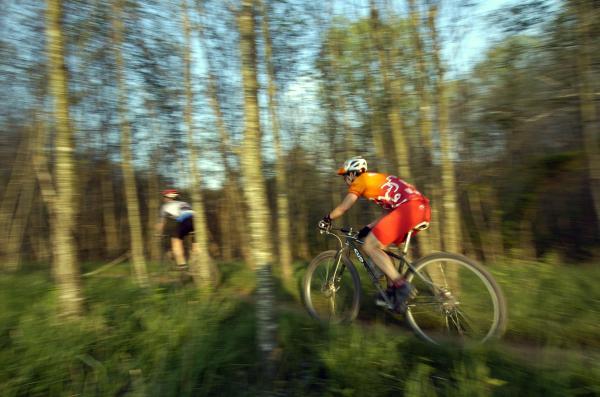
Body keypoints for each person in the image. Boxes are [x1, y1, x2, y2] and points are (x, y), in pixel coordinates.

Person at [318, 157, 431, 313]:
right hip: (420, 209)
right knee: (381, 246)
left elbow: (345, 206)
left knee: (369, 246)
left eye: (345, 176)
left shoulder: (361, 180)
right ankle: (393, 291)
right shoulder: (378, 180)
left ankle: (401, 285)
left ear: (353, 174)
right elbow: (388, 214)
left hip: (409, 209)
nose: (345, 180)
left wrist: (327, 218)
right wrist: (367, 228)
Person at [156, 189, 195, 270]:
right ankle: (199, 260)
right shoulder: (185, 203)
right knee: (195, 242)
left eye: (165, 197)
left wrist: (159, 233)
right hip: (193, 221)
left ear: (169, 197)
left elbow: (162, 222)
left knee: (176, 243)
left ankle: (182, 265)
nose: (164, 199)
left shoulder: (165, 206)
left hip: (180, 222)